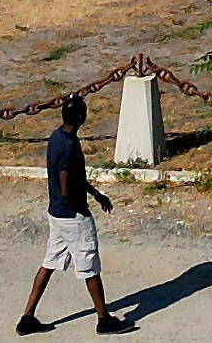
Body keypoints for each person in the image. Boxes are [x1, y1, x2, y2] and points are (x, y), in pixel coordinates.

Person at [18, 91, 132, 335]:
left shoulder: (57, 138)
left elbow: (75, 177)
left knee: (49, 263)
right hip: (72, 218)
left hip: (56, 214)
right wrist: (81, 210)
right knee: (89, 266)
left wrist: (95, 194)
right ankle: (103, 319)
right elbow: (67, 185)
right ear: (82, 117)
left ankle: (27, 317)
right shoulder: (69, 147)